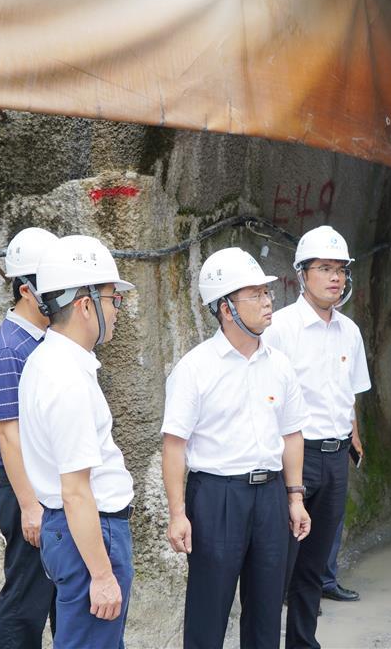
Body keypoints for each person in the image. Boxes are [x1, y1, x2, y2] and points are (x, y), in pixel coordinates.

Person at [161, 247, 311, 649]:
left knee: (266, 610)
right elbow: (174, 445)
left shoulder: (279, 365)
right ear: (226, 309)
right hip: (217, 497)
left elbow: (291, 434)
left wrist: (295, 497)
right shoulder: (195, 369)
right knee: (208, 611)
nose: (267, 302)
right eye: (255, 295)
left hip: (270, 496)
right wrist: (177, 514)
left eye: (267, 292)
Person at [18, 234, 136, 648]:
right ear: (85, 305)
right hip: (90, 531)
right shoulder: (67, 379)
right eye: (112, 299)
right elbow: (76, 491)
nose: (117, 310)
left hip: (73, 531)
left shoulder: (46, 361)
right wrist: (102, 576)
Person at [263, 225, 371, 649]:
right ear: (302, 274)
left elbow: (349, 395)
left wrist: (354, 437)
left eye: (340, 269)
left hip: (335, 456)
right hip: (295, 456)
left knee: (315, 563)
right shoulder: (280, 328)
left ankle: (303, 642)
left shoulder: (350, 331)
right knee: (280, 562)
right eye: (324, 268)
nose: (335, 278)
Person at [0, 227, 58, 648]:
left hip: (50, 485)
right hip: (24, 490)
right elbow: (8, 436)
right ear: (27, 290)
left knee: (60, 589)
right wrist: (30, 506)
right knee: (26, 597)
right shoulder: (8, 350)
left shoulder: (44, 341)